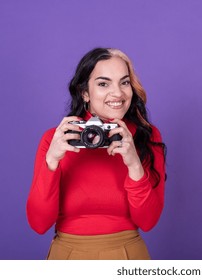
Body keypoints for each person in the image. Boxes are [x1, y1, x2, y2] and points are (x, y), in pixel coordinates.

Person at [26, 48, 166, 260]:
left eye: (124, 82)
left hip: (128, 256)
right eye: (103, 83)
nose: (117, 93)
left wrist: (134, 165)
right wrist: (52, 162)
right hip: (68, 256)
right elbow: (39, 224)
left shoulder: (146, 136)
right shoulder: (57, 139)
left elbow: (148, 221)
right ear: (85, 92)